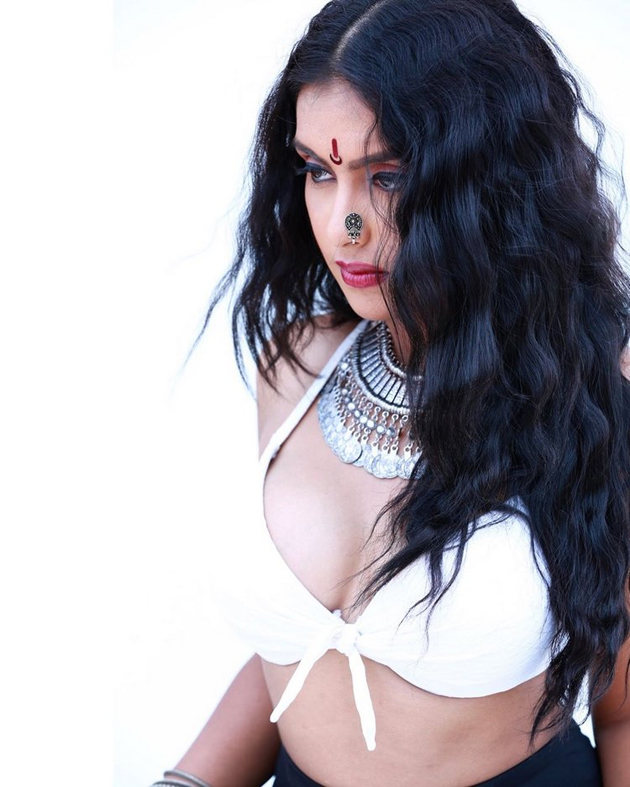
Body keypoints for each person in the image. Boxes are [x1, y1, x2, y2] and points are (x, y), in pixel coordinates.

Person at [150, 1, 630, 785]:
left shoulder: (602, 389)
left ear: (494, 175)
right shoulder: (296, 364)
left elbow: (624, 706)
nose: (345, 226)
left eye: (389, 176)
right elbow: (301, 648)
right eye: (318, 170)